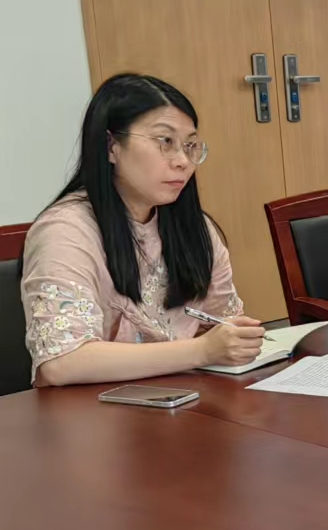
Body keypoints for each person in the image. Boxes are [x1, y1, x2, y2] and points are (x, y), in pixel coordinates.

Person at [22, 73, 265, 386]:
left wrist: (235, 339)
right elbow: (61, 362)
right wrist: (203, 350)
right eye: (165, 142)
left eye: (190, 145)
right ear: (111, 146)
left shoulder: (194, 226)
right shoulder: (66, 231)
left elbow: (222, 322)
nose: (183, 161)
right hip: (94, 407)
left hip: (181, 397)